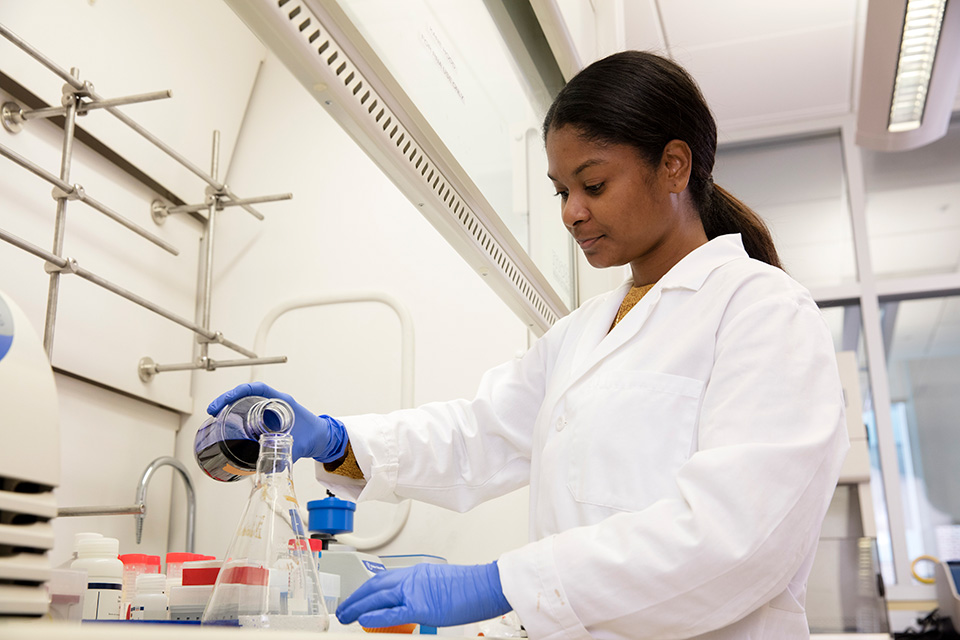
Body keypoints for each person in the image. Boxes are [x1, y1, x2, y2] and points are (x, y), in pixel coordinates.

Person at [208, 51, 849, 639]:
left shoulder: (762, 311)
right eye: (561, 191)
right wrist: (334, 438)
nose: (570, 211)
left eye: (592, 185)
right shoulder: (582, 332)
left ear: (674, 166)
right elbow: (480, 436)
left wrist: (503, 581)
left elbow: (738, 539)